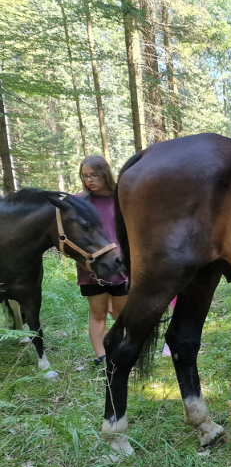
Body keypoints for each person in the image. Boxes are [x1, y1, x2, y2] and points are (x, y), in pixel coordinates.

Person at [77, 155, 128, 365]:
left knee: (119, 312)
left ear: (105, 174)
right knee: (97, 312)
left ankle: (124, 349)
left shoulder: (122, 197)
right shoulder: (80, 202)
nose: (89, 180)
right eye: (85, 175)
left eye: (93, 175)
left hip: (120, 265)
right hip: (91, 267)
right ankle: (102, 356)